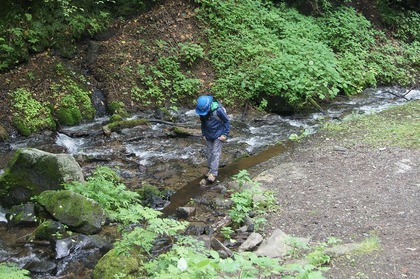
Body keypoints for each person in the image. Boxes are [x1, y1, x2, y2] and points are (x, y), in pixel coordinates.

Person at [195, 95, 230, 183]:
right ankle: (210, 170)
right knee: (209, 153)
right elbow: (203, 124)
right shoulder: (202, 114)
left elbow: (227, 121)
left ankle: (213, 173)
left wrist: (225, 134)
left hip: (219, 135)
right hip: (208, 135)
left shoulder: (218, 110)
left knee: (215, 152)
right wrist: (203, 134)